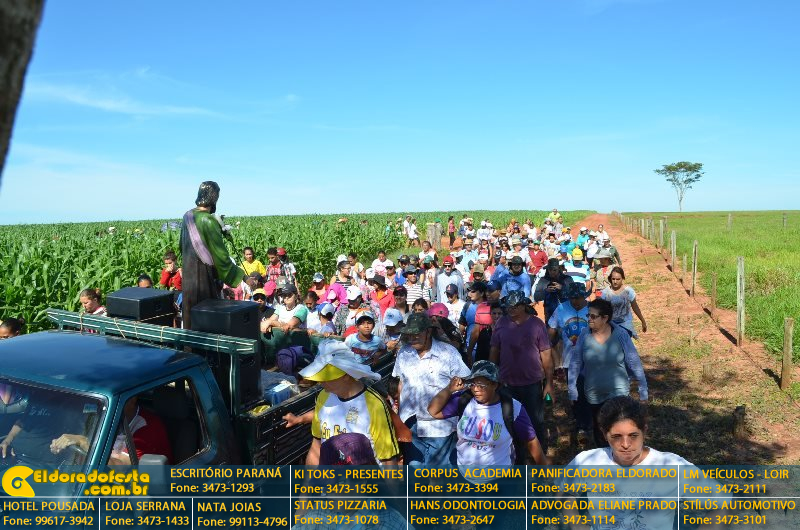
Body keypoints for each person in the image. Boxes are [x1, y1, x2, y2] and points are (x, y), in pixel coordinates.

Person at [562, 396, 726, 530]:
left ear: (644, 431)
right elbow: (564, 493)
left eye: (633, 435)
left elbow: (723, 504)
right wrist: (577, 525)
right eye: (617, 436)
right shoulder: (587, 462)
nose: (625, 444)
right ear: (604, 434)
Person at [428, 360, 549, 466]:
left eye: (481, 385)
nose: (475, 389)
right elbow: (433, 411)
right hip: (464, 476)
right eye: (473, 384)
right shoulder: (464, 400)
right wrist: (449, 389)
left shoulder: (512, 407)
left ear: (494, 385)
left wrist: (545, 473)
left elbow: (531, 440)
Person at [299, 340, 400, 465]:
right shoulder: (323, 396)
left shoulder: (374, 404)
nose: (321, 382)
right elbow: (316, 445)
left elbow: (388, 459)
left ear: (346, 374)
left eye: (327, 377)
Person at [568, 299, 648, 447]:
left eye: (593, 316)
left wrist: (643, 390)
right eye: (588, 315)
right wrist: (572, 389)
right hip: (594, 394)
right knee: (601, 434)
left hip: (618, 393)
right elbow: (575, 363)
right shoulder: (584, 335)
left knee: (619, 431)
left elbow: (634, 362)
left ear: (605, 318)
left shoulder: (621, 335)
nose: (589, 319)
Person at [393, 313, 470, 466]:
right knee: (414, 472)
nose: (412, 338)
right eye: (410, 334)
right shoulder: (403, 353)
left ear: (428, 331)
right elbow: (401, 384)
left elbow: (465, 382)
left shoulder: (448, 352)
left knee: (439, 475)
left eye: (417, 334)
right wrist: (399, 418)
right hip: (411, 422)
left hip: (440, 425)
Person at [490, 290, 553, 454]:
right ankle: (516, 455)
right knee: (509, 421)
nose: (511, 309)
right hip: (506, 383)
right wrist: (492, 376)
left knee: (535, 421)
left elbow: (546, 355)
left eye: (515, 306)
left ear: (523, 305)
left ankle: (540, 455)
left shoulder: (537, 324)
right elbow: (494, 350)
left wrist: (549, 383)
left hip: (531, 383)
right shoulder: (501, 323)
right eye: (508, 306)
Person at [180, 181, 244, 330]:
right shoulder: (208, 220)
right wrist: (243, 277)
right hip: (204, 276)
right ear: (213, 197)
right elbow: (221, 258)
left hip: (188, 275)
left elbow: (181, 246)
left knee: (190, 315)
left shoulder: (187, 216)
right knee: (205, 316)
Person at [51, 395, 172, 465]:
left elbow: (120, 469)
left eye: (116, 403)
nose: (100, 408)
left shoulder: (147, 427)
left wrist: (84, 443)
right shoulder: (103, 414)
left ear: (132, 400)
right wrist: (61, 445)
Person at [601, 267, 647, 337]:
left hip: (626, 325)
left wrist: (643, 321)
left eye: (618, 279)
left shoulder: (628, 291)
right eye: (613, 279)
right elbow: (601, 311)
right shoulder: (605, 293)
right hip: (611, 325)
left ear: (622, 278)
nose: (615, 281)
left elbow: (635, 307)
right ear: (610, 278)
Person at [532, 258, 574, 323]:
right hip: (550, 314)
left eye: (554, 270)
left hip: (566, 312)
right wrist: (546, 291)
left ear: (559, 269)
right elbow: (536, 297)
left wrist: (562, 288)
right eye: (550, 270)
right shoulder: (544, 280)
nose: (552, 272)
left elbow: (574, 294)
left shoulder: (567, 279)